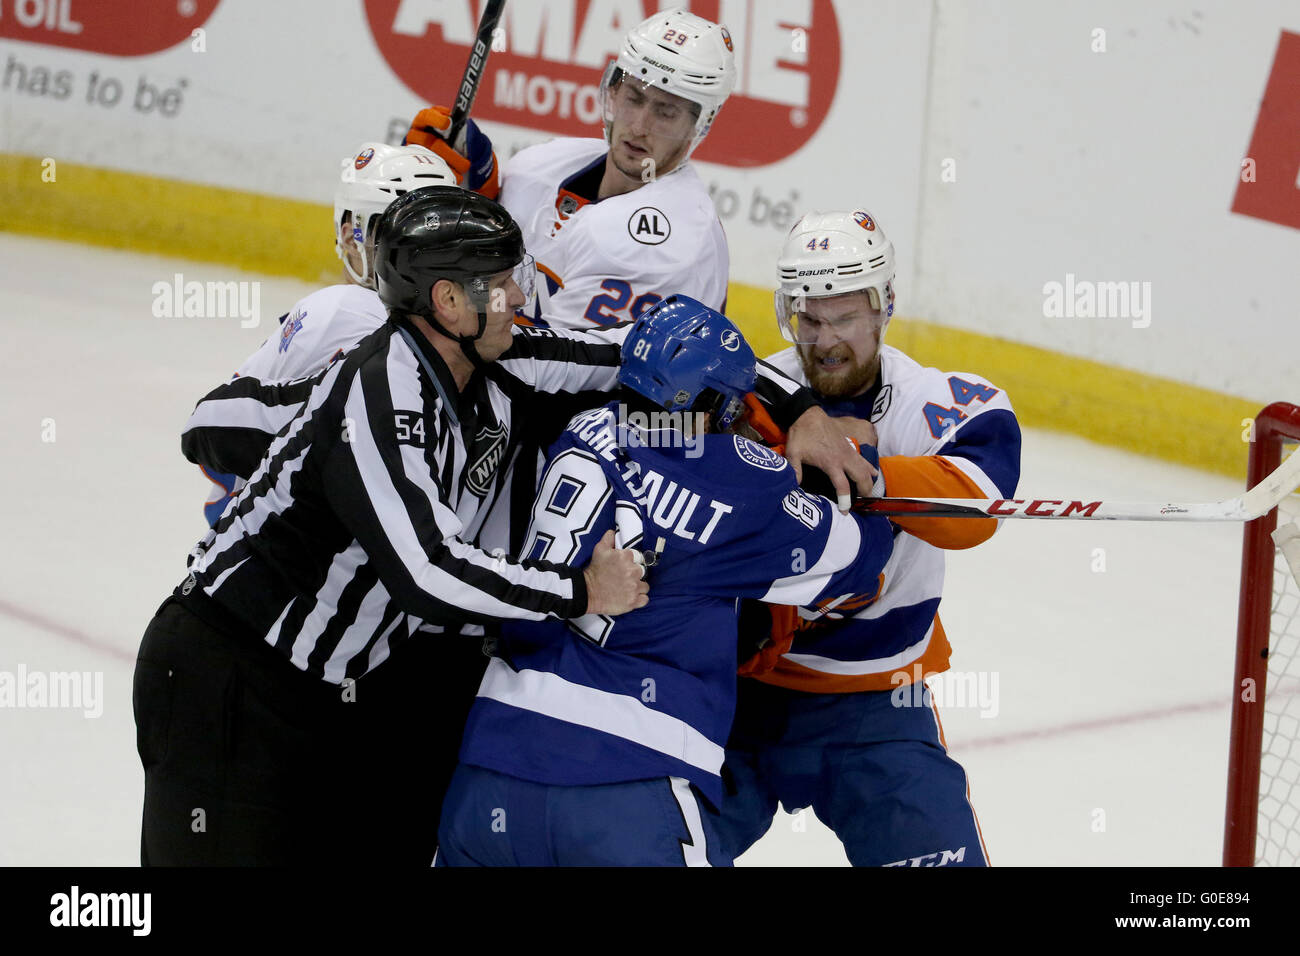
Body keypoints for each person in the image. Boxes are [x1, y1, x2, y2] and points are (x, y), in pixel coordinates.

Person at [134, 186, 651, 866]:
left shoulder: (490, 353)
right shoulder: (379, 390)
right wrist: (580, 591)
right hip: (227, 674)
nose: (519, 299)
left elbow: (628, 355)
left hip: (314, 690)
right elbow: (428, 572)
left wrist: (775, 401)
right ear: (446, 301)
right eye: (499, 286)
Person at [435, 296, 897, 866]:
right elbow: (860, 558)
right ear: (705, 405)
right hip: (629, 787)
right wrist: (860, 453)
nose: (741, 417)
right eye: (733, 406)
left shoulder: (581, 429)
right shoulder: (741, 485)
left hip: (488, 776)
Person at [715, 208, 1023, 867]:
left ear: (885, 306)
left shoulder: (937, 402)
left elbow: (978, 510)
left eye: (846, 317)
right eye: (810, 319)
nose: (825, 341)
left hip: (877, 707)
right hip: (735, 698)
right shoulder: (748, 395)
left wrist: (867, 470)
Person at [405, 8, 735, 328]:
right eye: (634, 98)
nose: (638, 126)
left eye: (665, 113)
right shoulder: (539, 168)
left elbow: (544, 373)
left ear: (699, 125)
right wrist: (460, 200)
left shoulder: (672, 242)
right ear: (614, 90)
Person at [196, 141, 458, 526]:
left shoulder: (351, 311)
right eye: (400, 235)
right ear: (352, 233)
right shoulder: (345, 312)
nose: (421, 254)